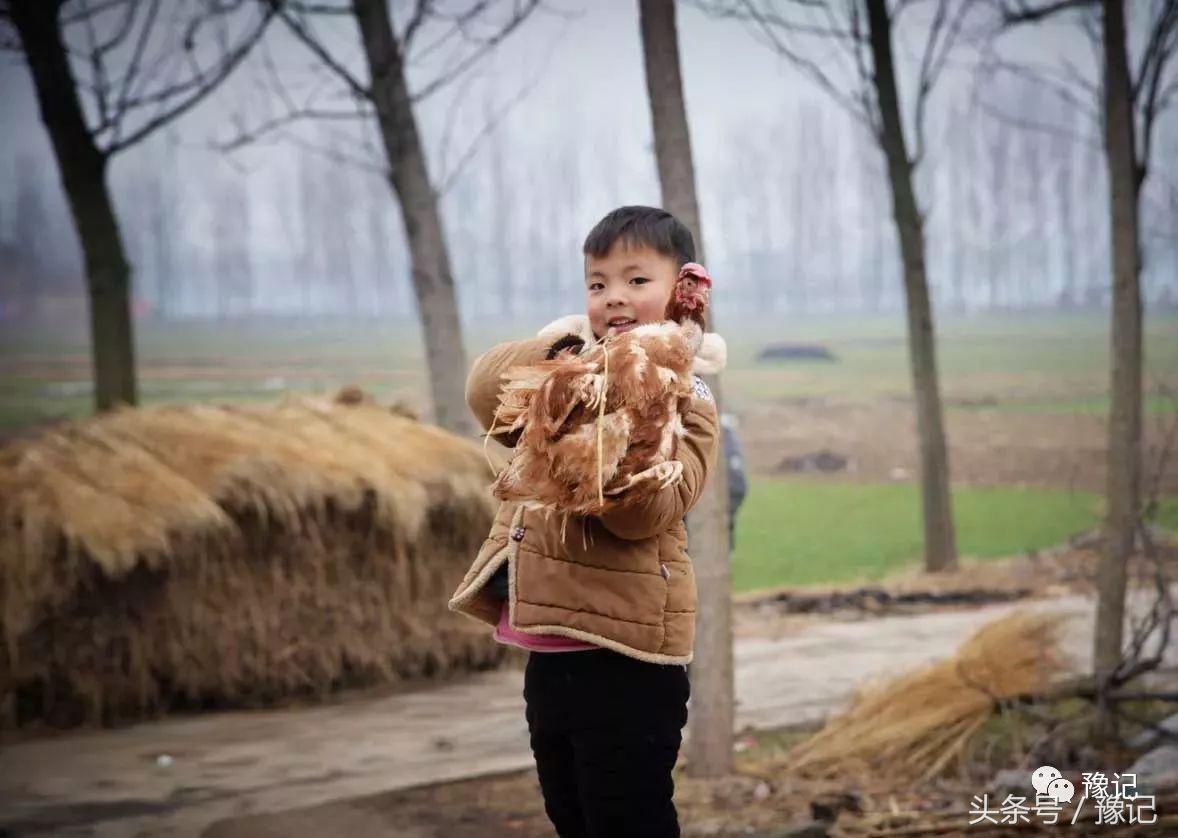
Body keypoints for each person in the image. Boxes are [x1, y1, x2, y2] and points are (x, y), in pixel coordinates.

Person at [448, 206, 727, 837]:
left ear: (680, 288)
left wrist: (639, 411)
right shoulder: (570, 377)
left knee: (626, 821)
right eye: (598, 284)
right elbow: (483, 391)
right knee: (571, 817)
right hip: (551, 647)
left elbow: (645, 515)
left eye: (636, 281)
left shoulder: (692, 399)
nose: (614, 299)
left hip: (628, 660)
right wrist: (564, 349)